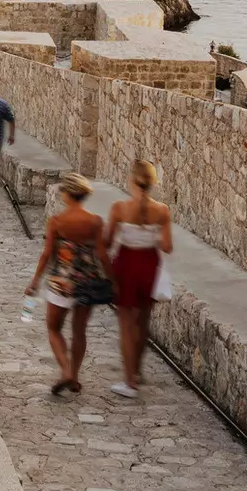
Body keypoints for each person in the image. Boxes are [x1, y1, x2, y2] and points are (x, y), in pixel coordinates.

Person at [25, 173, 106, 394]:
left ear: (68, 194)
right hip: (86, 280)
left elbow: (47, 254)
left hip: (62, 280)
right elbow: (101, 254)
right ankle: (75, 377)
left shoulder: (57, 222)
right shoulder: (95, 222)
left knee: (53, 328)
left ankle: (66, 371)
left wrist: (35, 281)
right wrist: (111, 280)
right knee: (79, 331)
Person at [106, 159, 173, 399]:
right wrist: (151, 235)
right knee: (143, 322)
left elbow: (107, 242)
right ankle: (137, 371)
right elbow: (167, 246)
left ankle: (129, 382)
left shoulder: (119, 208)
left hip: (126, 265)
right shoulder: (162, 210)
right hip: (149, 266)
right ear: (152, 183)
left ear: (131, 181)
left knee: (126, 325)